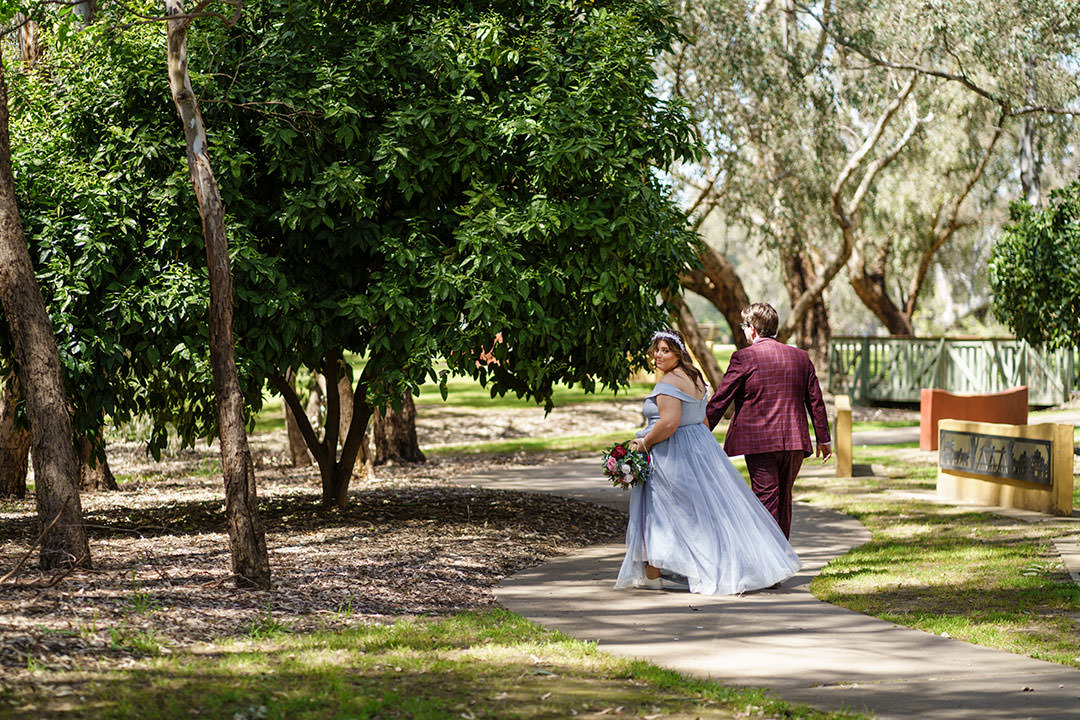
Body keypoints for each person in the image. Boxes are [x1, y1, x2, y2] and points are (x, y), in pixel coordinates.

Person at [614, 329, 801, 594]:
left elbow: (669, 423)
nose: (658, 355)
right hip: (699, 446)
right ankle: (653, 571)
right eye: (656, 349)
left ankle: (684, 568)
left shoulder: (668, 383)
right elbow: (701, 419)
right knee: (702, 510)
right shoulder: (695, 378)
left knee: (667, 510)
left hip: (672, 451)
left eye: (665, 350)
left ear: (679, 353)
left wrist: (642, 444)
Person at [705, 303, 831, 540]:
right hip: (795, 442)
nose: (743, 330)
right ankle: (780, 559)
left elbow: (721, 398)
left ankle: (771, 565)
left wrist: (701, 429)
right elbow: (816, 401)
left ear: (752, 329)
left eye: (744, 326)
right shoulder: (801, 357)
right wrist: (824, 438)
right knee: (783, 498)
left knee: (766, 500)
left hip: (759, 442)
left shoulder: (744, 357)